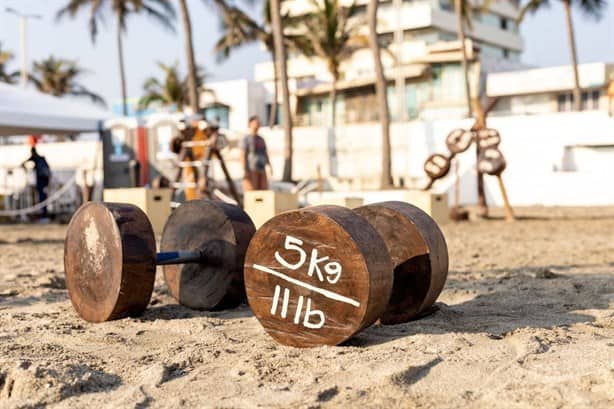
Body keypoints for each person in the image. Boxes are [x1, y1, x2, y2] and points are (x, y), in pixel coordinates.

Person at [241, 116, 271, 191]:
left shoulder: (261, 139)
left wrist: (269, 165)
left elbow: (265, 152)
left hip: (261, 168)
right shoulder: (246, 139)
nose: (257, 125)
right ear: (250, 124)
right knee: (252, 190)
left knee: (263, 190)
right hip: (251, 168)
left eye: (258, 123)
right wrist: (245, 169)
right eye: (255, 122)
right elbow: (243, 154)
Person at [22, 145, 51, 218]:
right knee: (42, 198)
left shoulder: (37, 158)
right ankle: (43, 215)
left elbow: (23, 163)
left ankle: (44, 215)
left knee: (42, 199)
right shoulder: (41, 159)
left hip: (42, 181)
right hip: (44, 182)